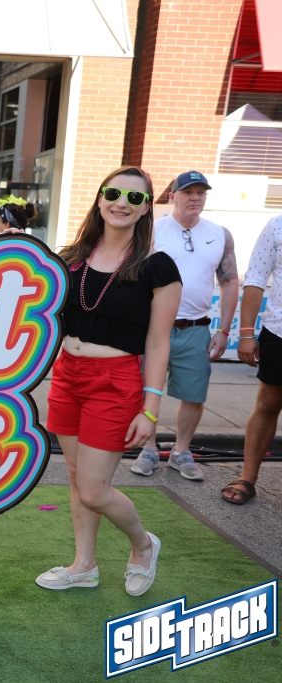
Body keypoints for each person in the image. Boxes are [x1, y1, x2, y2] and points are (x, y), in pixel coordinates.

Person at [37, 166, 181, 597]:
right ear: (100, 198)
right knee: (77, 476)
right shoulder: (70, 258)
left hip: (115, 382)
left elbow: (158, 344)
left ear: (146, 208)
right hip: (68, 375)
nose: (122, 203)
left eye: (135, 198)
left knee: (93, 490)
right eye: (114, 194)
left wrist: (150, 410)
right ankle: (84, 566)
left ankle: (143, 544)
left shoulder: (157, 267)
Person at [131, 171, 239, 482]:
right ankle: (149, 449)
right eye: (188, 192)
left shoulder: (220, 234)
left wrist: (224, 330)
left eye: (201, 192)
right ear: (172, 197)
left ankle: (181, 452)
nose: (195, 198)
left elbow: (229, 282)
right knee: (146, 389)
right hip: (153, 327)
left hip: (196, 327)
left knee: (194, 394)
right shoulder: (151, 230)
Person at [225, 215, 282, 504]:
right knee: (267, 405)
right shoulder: (277, 225)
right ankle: (248, 477)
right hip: (279, 332)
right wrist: (247, 333)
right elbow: (256, 279)